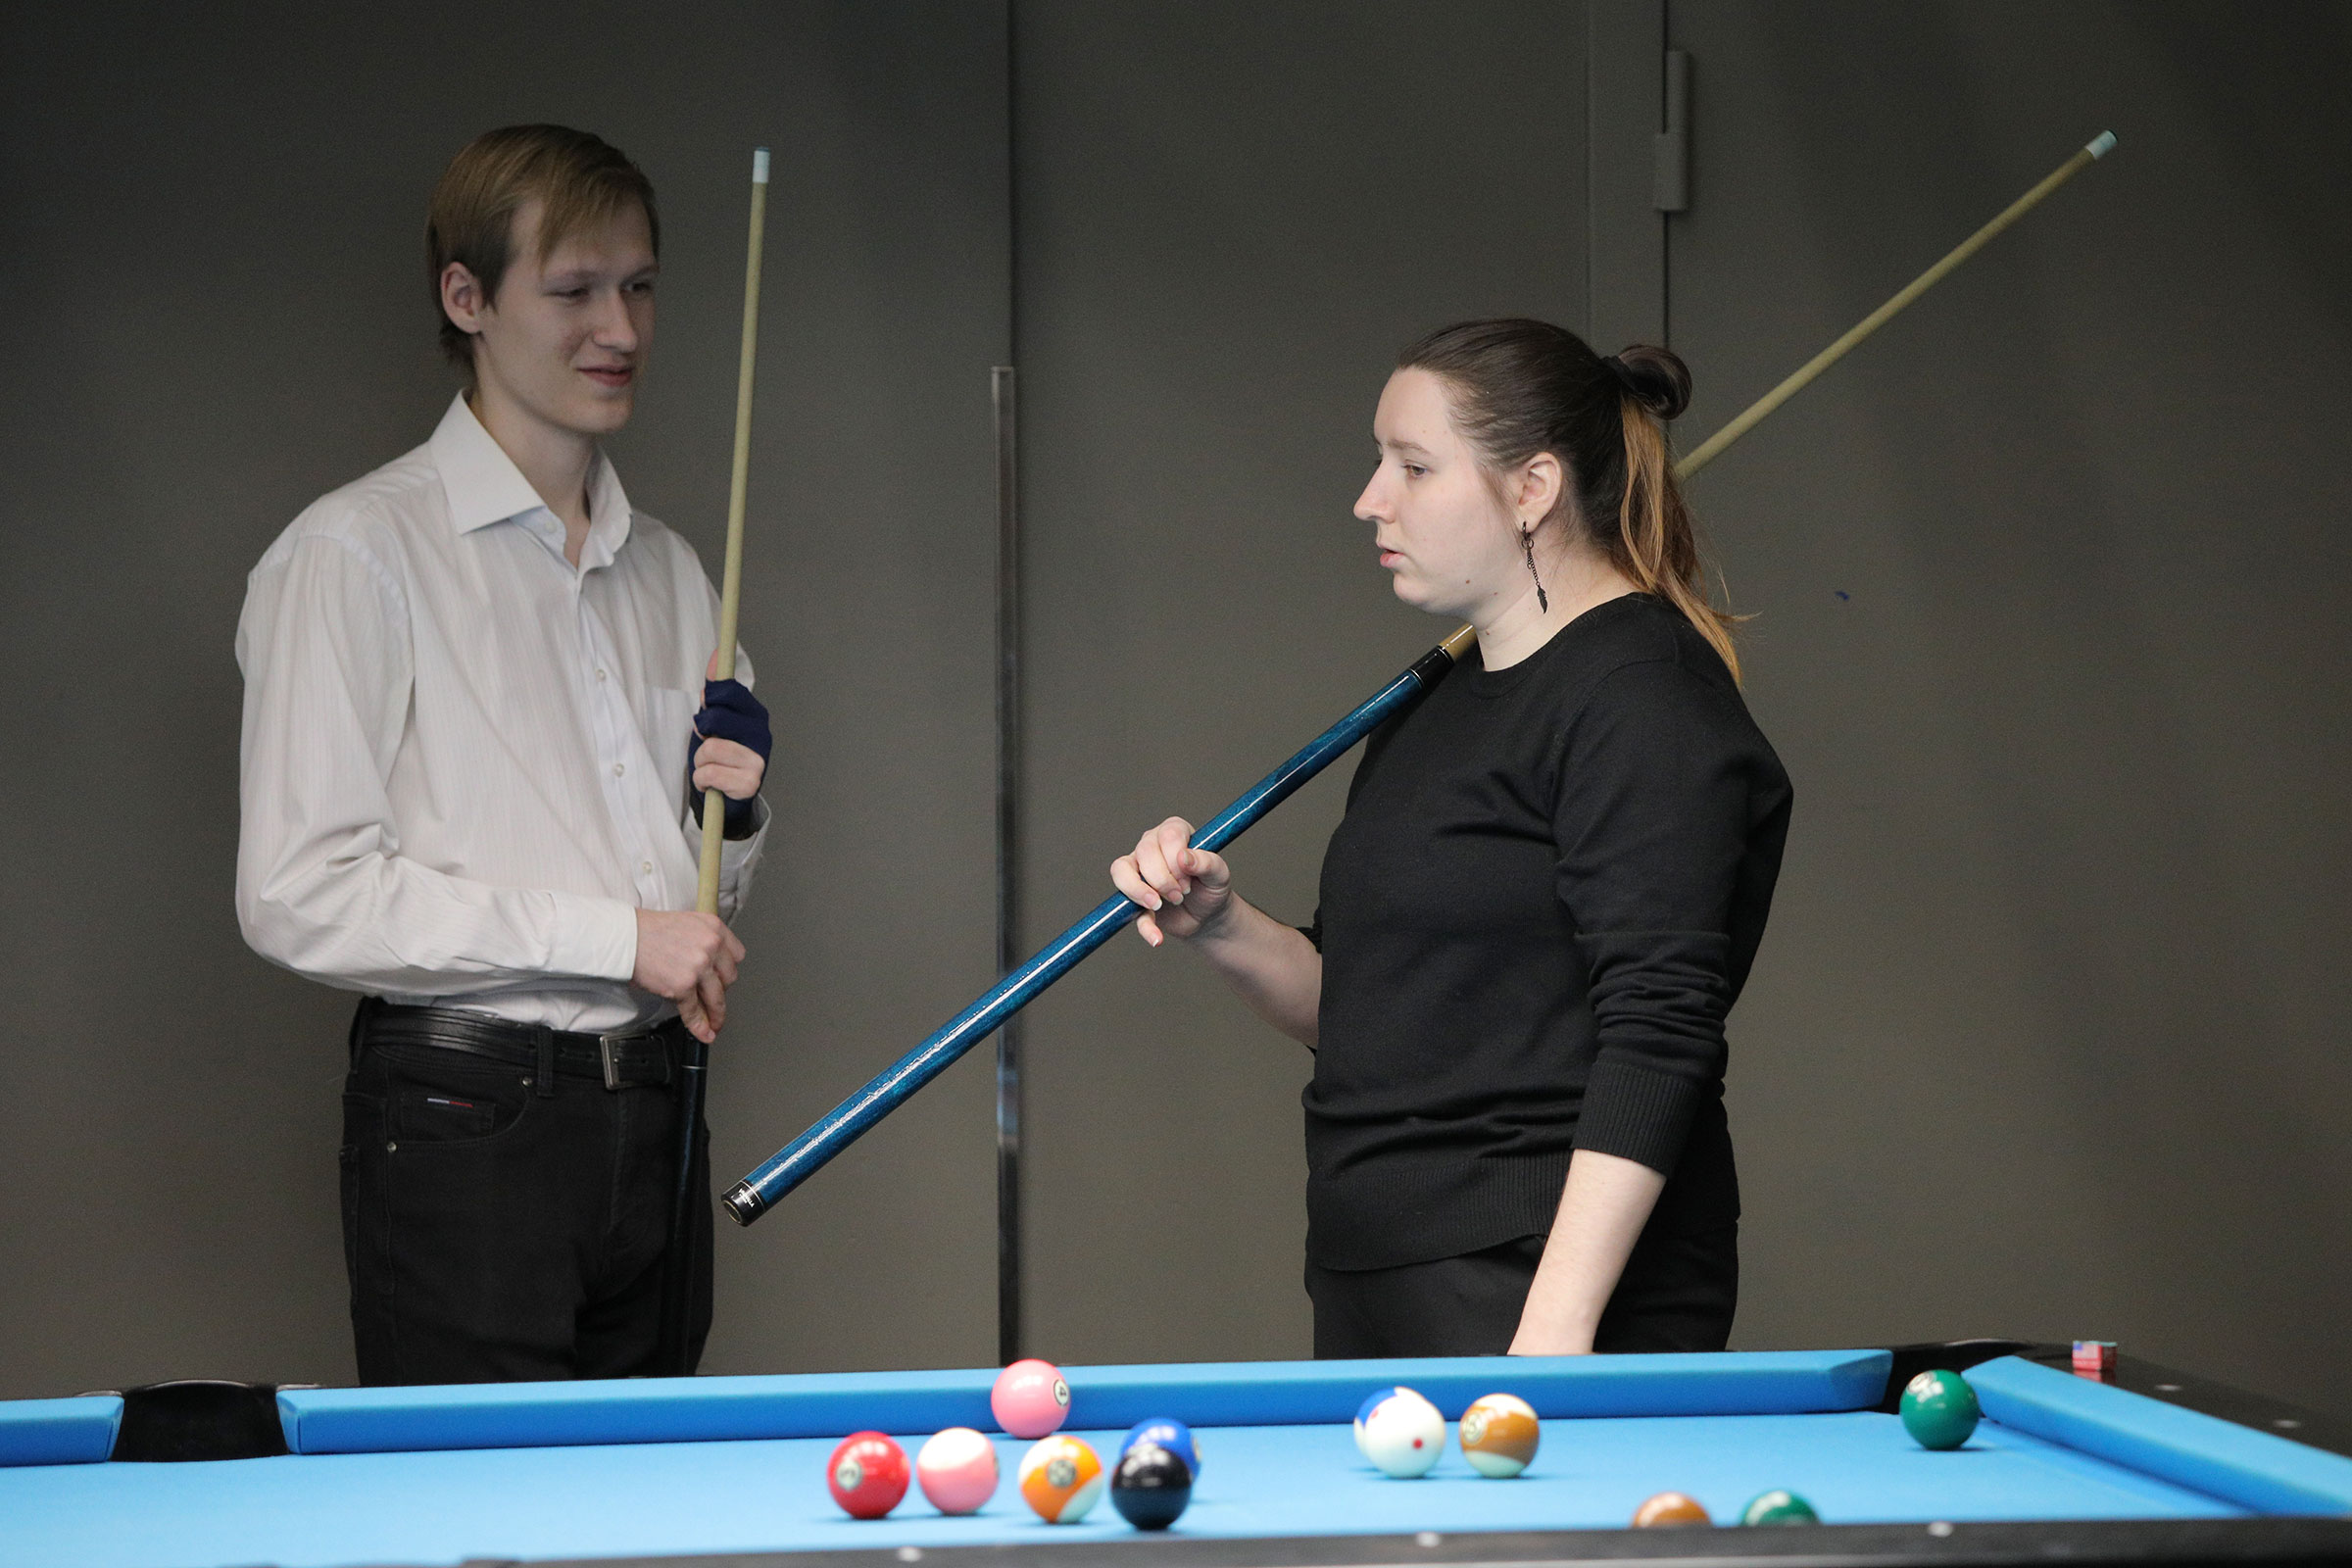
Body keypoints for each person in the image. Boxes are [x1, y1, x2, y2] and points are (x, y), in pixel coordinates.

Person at [1110, 318, 1791, 1358]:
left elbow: (1662, 1030)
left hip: (1537, 1280)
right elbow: (1367, 1013)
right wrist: (1223, 924)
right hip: (1385, 1261)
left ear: (1533, 488)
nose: (1369, 499)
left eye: (1413, 467)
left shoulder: (1641, 700)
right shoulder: (1437, 707)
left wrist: (1556, 1329)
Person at [236, 125, 773, 1383]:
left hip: (658, 1101)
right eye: (574, 290)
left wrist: (736, 828)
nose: (620, 329)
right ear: (466, 298)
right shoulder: (354, 552)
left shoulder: (675, 573)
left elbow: (694, 906)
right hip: (465, 1115)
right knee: (478, 1492)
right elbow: (297, 892)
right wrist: (620, 939)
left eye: (638, 286)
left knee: (645, 1489)